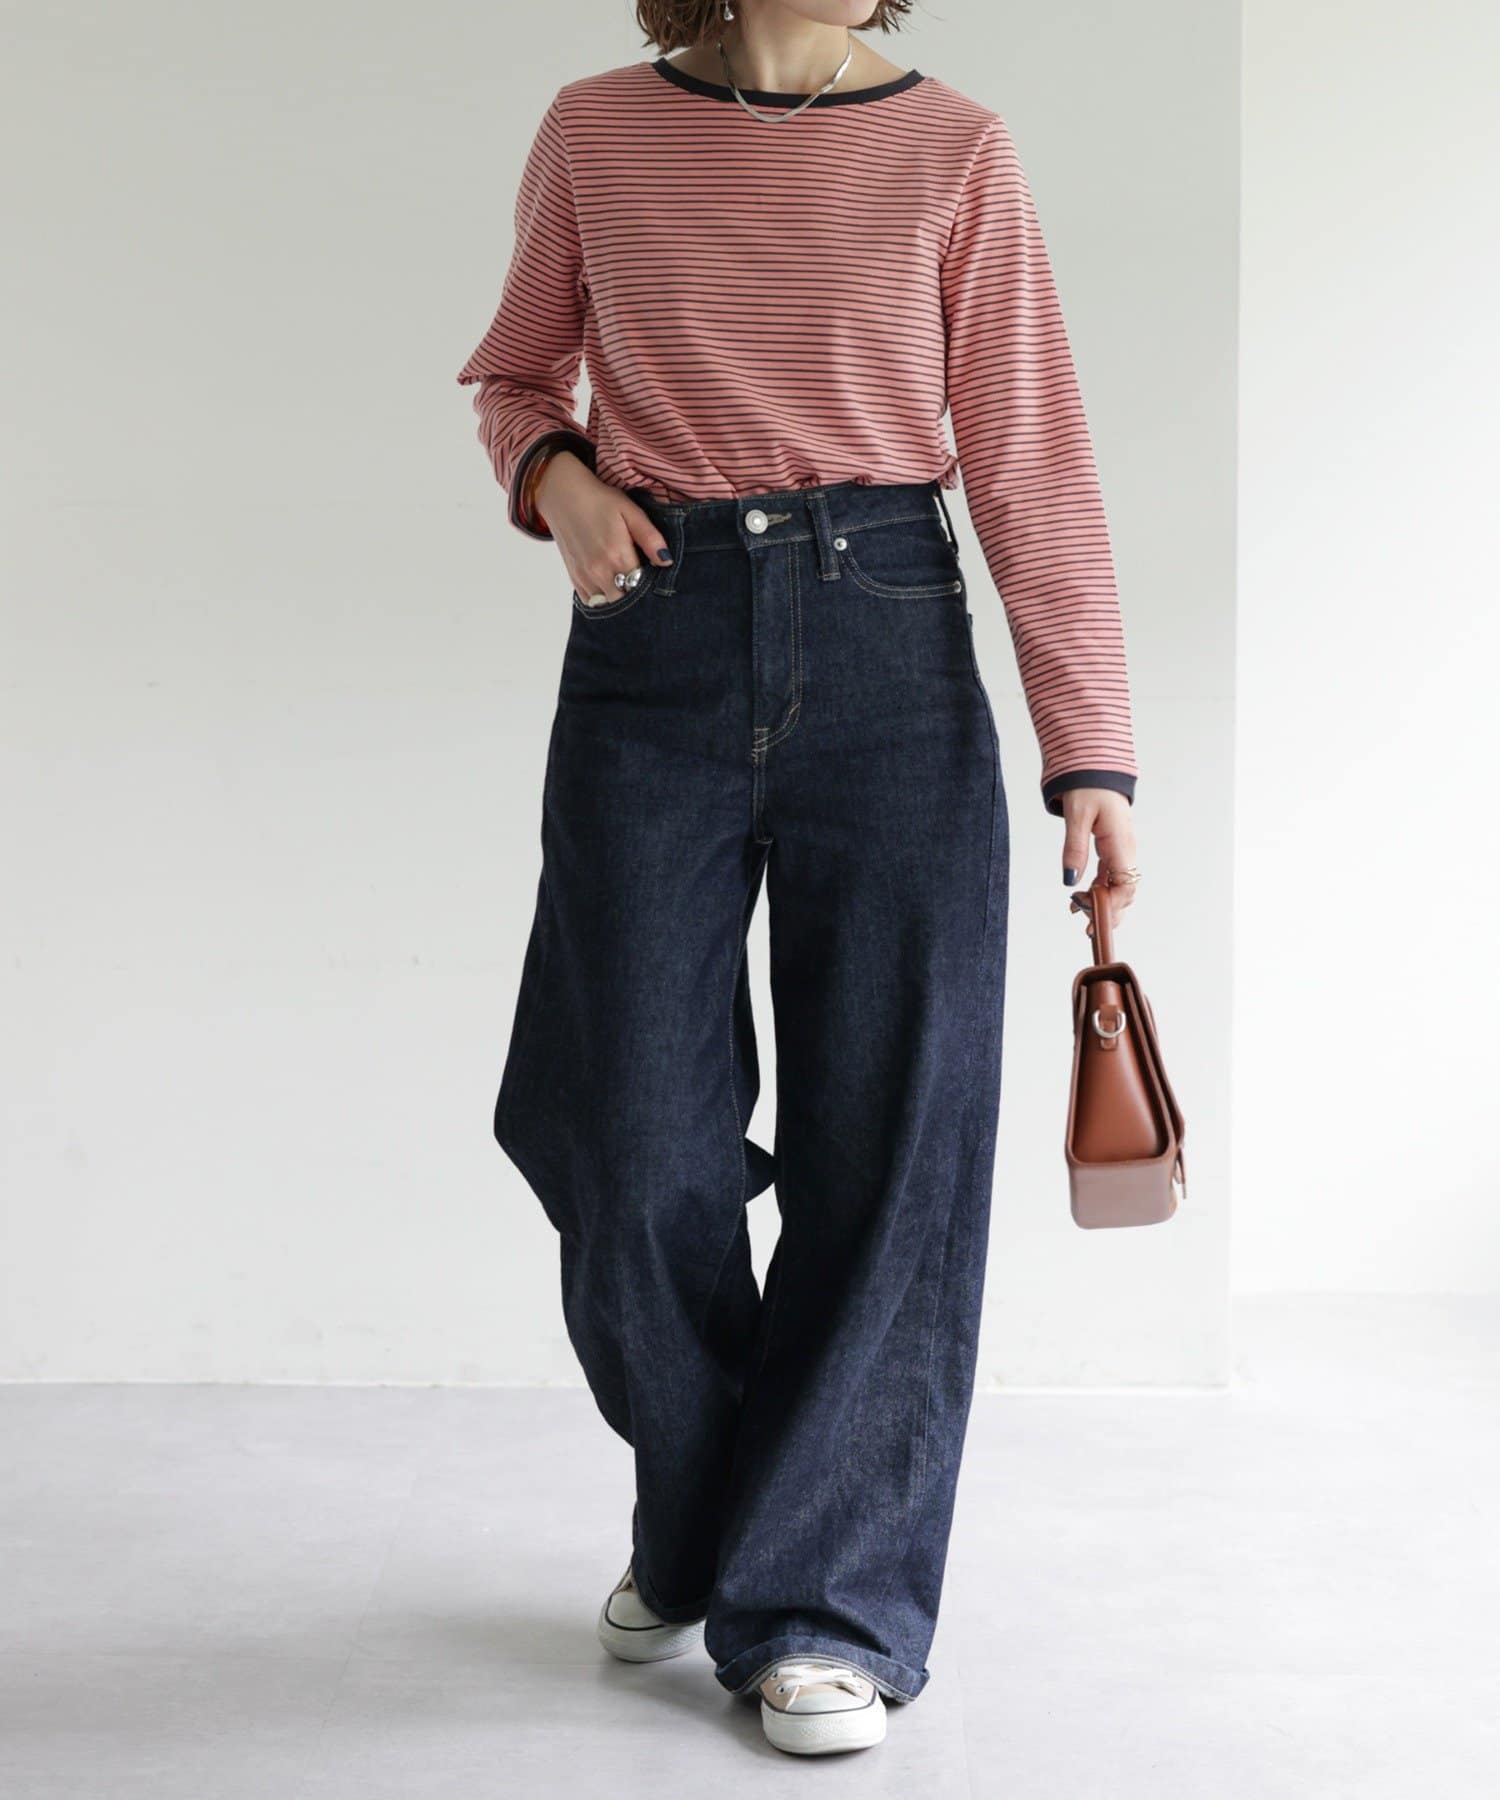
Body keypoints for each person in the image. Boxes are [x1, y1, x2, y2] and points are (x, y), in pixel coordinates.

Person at [455, 0, 1140, 1759]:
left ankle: (825, 1602)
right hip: (655, 646)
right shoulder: (597, 129)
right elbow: (515, 374)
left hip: (890, 632)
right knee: (622, 1135)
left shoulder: (956, 146)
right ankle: (710, 1510)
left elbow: (1031, 454)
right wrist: (558, 478)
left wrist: (1090, 750)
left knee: (890, 1141)